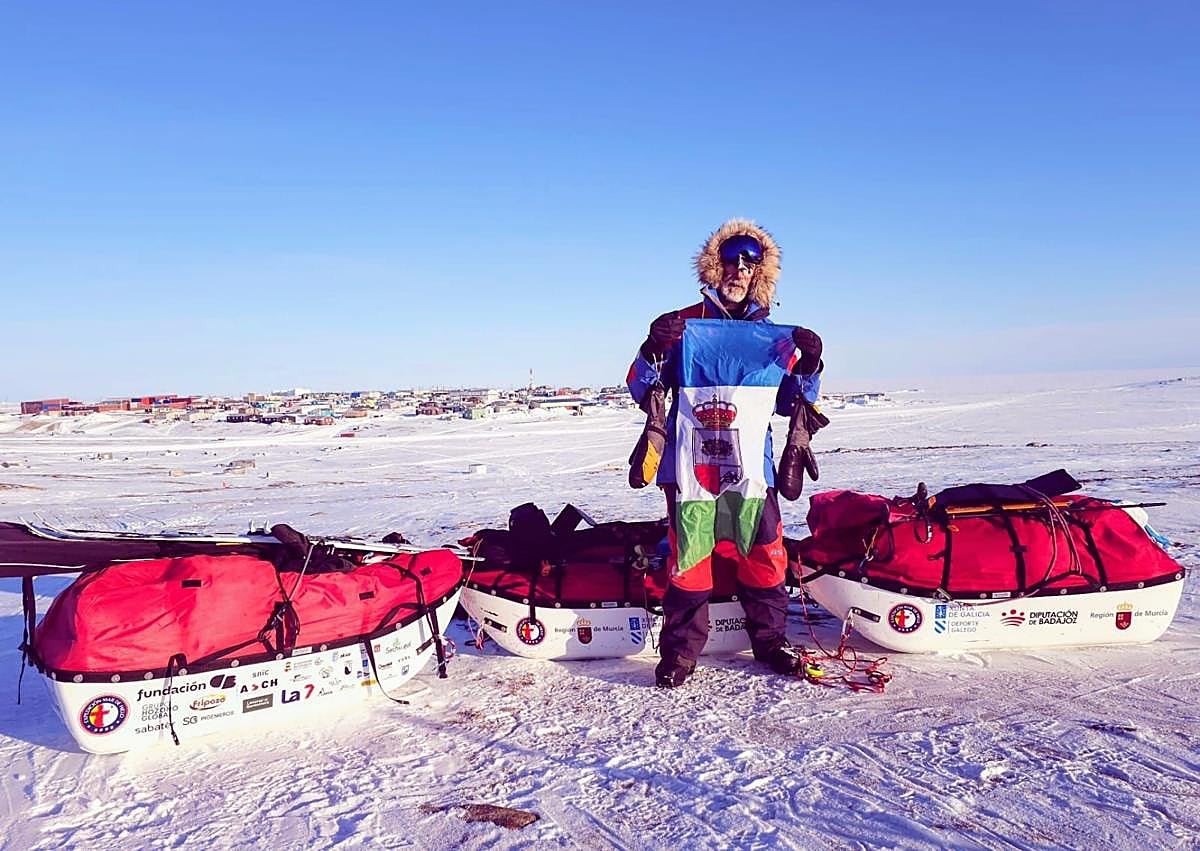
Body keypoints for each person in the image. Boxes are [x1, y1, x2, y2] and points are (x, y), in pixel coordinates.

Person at [626, 219, 823, 688]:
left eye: (749, 263)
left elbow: (789, 400)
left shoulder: (773, 337)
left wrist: (811, 365)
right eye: (731, 260)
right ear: (715, 267)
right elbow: (641, 386)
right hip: (691, 466)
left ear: (761, 274)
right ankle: (680, 653)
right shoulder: (683, 327)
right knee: (690, 557)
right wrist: (652, 347)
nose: (739, 270)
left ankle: (771, 642)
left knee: (764, 552)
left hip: (752, 467)